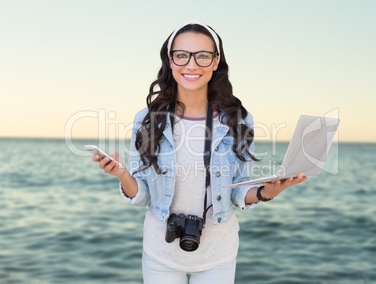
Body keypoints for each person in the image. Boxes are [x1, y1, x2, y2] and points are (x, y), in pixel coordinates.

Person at [91, 20, 307, 284]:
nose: (191, 65)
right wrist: (123, 174)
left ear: (216, 62)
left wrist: (266, 192)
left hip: (218, 256)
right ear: (170, 61)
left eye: (203, 56)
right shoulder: (148, 119)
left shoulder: (238, 119)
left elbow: (237, 189)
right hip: (161, 254)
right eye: (182, 55)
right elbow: (143, 194)